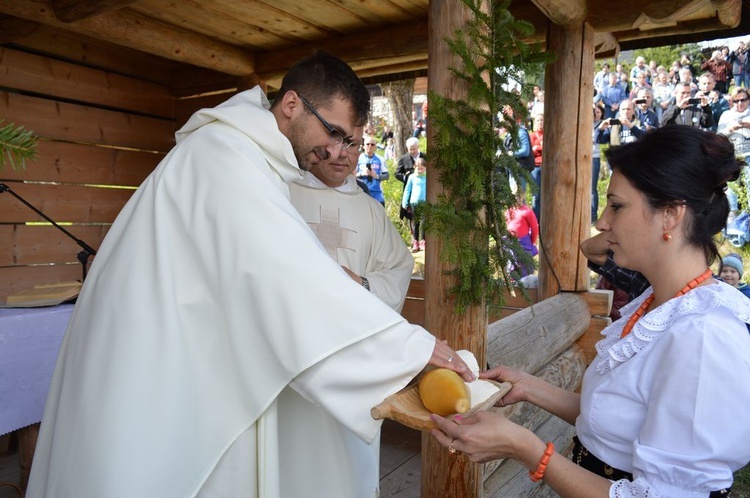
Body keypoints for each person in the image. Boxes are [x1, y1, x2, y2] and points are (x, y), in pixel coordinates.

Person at [26, 51, 473, 498]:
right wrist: (409, 348)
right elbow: (286, 275)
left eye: (347, 140)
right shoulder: (223, 158)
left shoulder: (245, 157)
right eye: (332, 131)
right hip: (152, 365)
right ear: (293, 105)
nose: (337, 151)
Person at [430, 125, 750, 497]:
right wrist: (530, 388)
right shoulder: (658, 303)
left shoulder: (703, 336)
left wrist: (528, 450)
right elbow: (617, 421)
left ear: (671, 215)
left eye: (616, 205)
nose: (602, 221)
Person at [290, 139, 414, 312]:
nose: (341, 153)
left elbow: (398, 269)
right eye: (334, 140)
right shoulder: (284, 195)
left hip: (354, 326)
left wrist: (362, 284)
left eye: (352, 144)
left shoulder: (372, 210)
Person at [505, 190, 538, 277]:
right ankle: (512, 279)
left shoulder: (527, 212)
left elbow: (534, 227)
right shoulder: (509, 210)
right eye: (515, 196)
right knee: (511, 263)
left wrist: (531, 241)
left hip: (524, 243)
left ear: (522, 197)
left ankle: (526, 283)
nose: (517, 199)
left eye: (519, 197)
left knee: (526, 266)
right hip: (511, 242)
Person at [402, 157, 427, 252]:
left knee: (424, 222)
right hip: (414, 203)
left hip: (424, 203)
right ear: (414, 167)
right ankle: (415, 242)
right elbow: (407, 190)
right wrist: (405, 202)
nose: (420, 170)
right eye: (418, 168)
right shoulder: (412, 177)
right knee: (415, 223)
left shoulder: (427, 177)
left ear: (425, 168)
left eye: (422, 168)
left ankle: (423, 241)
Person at [356, 137, 389, 206]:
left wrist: (376, 176)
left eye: (372, 144)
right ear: (364, 146)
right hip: (361, 192)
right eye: (367, 144)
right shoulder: (358, 159)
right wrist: (361, 174)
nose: (370, 146)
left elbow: (386, 176)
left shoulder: (380, 159)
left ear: (375, 147)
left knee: (379, 215)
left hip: (377, 193)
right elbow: (351, 176)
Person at [529, 113, 544, 221]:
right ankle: (536, 220)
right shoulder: (532, 136)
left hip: (547, 167)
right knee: (536, 195)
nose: (540, 122)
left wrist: (537, 148)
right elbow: (530, 151)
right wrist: (540, 147)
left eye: (542, 120)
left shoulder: (548, 134)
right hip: (535, 168)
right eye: (538, 120)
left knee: (546, 194)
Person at [591, 104, 604, 223]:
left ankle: (593, 217)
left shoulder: (602, 124)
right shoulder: (585, 122)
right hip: (582, 156)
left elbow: (596, 139)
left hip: (594, 157)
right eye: (593, 112)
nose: (595, 114)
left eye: (598, 112)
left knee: (592, 189)